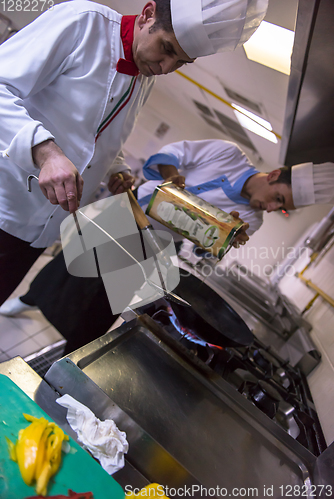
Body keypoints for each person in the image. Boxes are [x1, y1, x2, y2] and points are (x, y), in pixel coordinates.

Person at [0, 0, 268, 306]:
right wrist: (46, 152)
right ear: (147, 14)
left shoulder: (145, 78)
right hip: (5, 202)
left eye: (181, 62)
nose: (167, 68)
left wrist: (118, 169)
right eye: (167, 48)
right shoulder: (83, 22)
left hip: (39, 232)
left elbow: (99, 139)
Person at [2, 139, 334, 355]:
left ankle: (73, 354)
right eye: (278, 199)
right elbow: (176, 153)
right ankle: (29, 299)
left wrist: (220, 237)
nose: (273, 208)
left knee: (105, 305)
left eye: (282, 208)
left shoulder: (251, 220)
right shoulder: (229, 154)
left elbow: (202, 251)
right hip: (131, 210)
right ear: (274, 175)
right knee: (71, 267)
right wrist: (173, 176)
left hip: (162, 242)